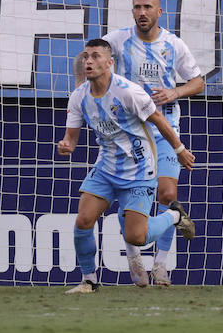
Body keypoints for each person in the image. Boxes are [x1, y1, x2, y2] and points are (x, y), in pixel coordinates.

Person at [56, 37, 197, 294]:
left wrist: (179, 150)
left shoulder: (127, 91)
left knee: (136, 237)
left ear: (109, 63)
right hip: (106, 169)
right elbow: (71, 138)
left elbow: (159, 120)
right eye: (86, 56)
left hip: (140, 170)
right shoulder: (78, 97)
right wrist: (66, 145)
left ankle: (175, 216)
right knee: (84, 220)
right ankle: (89, 280)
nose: (89, 61)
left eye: (96, 56)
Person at [101, 0, 205, 287]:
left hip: (164, 127)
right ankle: (134, 256)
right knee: (129, 199)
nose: (142, 12)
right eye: (137, 7)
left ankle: (160, 265)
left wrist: (176, 91)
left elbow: (198, 81)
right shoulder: (117, 41)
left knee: (167, 195)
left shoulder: (173, 45)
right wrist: (85, 90)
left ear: (160, 12)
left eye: (148, 7)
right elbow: (87, 57)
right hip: (128, 133)